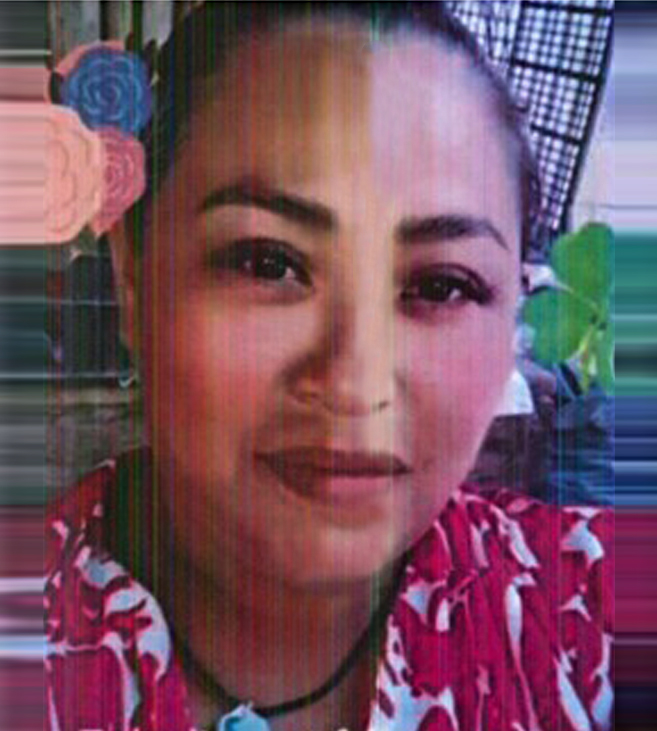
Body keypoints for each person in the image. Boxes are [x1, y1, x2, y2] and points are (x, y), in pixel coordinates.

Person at [45, 4, 613, 730]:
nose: (354, 384)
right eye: (267, 263)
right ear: (133, 276)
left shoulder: (594, 607)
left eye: (442, 285)